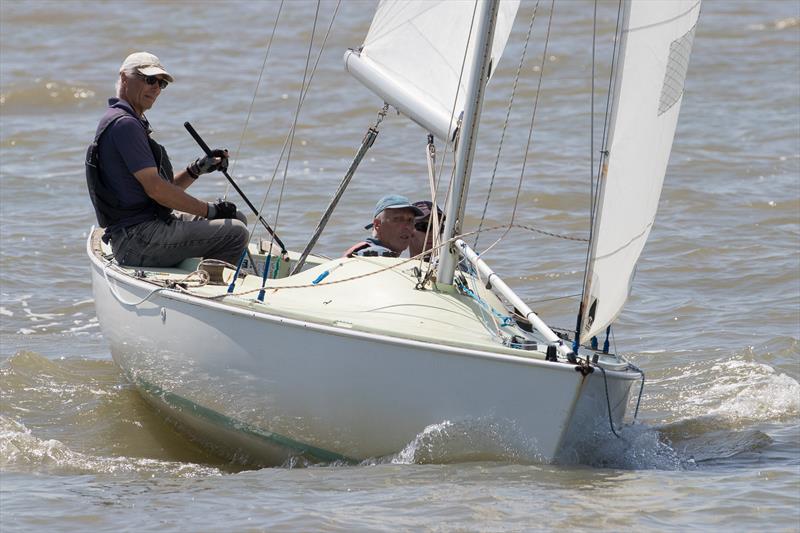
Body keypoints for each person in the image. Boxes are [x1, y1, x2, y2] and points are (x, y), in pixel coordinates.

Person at [86, 51, 249, 268]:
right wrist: (211, 210)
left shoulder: (128, 120)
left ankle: (210, 274)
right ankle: (212, 288)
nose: (155, 88)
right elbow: (157, 191)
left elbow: (162, 188)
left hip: (146, 228)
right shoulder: (125, 125)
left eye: (161, 84)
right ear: (124, 77)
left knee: (236, 218)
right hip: (137, 239)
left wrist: (197, 169)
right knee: (235, 233)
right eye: (149, 79)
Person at [344, 195, 423, 257]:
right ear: (377, 224)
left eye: (410, 220)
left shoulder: (361, 251)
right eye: (397, 219)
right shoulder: (375, 254)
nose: (407, 227)